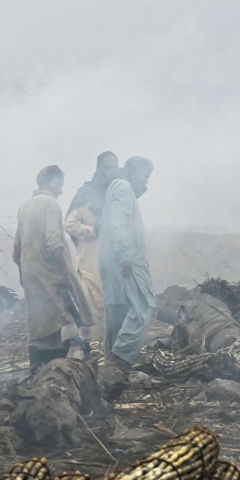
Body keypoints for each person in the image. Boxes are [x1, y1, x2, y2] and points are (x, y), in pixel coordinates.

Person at [13, 166, 94, 370]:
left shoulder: (24, 206)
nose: (62, 190)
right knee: (67, 317)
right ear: (50, 182)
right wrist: (62, 275)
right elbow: (53, 243)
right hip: (51, 273)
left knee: (40, 322)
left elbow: (17, 248)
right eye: (60, 184)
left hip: (31, 274)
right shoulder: (51, 203)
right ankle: (65, 367)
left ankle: (37, 369)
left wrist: (23, 273)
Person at [98, 156, 156, 371]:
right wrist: (125, 254)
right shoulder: (123, 187)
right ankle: (119, 357)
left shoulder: (114, 187)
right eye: (146, 176)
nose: (147, 182)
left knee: (117, 308)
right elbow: (118, 221)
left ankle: (111, 363)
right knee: (142, 305)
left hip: (110, 257)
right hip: (125, 257)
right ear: (136, 170)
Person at [64, 152, 119, 342]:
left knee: (113, 304)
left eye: (114, 167)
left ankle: (110, 347)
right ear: (98, 169)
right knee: (92, 304)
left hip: (114, 261)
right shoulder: (87, 194)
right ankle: (94, 347)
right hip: (90, 261)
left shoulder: (119, 192)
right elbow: (69, 224)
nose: (110, 171)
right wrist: (94, 231)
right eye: (106, 167)